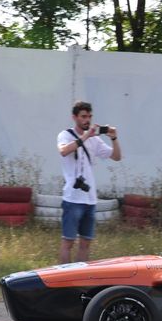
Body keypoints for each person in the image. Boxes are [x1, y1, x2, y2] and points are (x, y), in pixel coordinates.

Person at [56, 100, 121, 264]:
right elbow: (63, 151)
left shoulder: (95, 140)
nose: (87, 120)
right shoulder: (65, 135)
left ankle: (80, 277)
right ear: (74, 117)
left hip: (90, 199)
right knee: (68, 242)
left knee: (85, 243)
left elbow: (116, 156)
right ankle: (63, 278)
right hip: (72, 198)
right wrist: (86, 136)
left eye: (89, 116)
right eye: (83, 116)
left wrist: (114, 138)